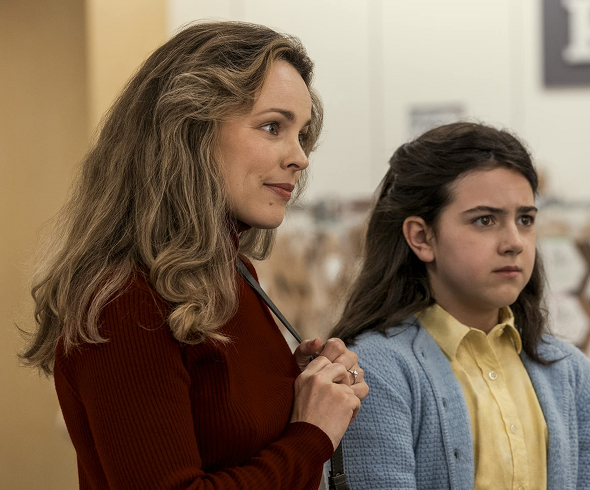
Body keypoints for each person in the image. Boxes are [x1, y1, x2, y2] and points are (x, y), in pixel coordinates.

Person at [21, 21, 368, 490]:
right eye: (272, 127)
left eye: (301, 134)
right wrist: (312, 434)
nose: (300, 157)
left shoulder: (233, 273)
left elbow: (229, 430)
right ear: (189, 131)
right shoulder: (127, 302)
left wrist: (300, 388)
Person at [329, 122, 590, 490]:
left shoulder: (576, 376)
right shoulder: (372, 372)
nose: (514, 242)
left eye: (525, 219)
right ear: (422, 237)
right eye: (485, 220)